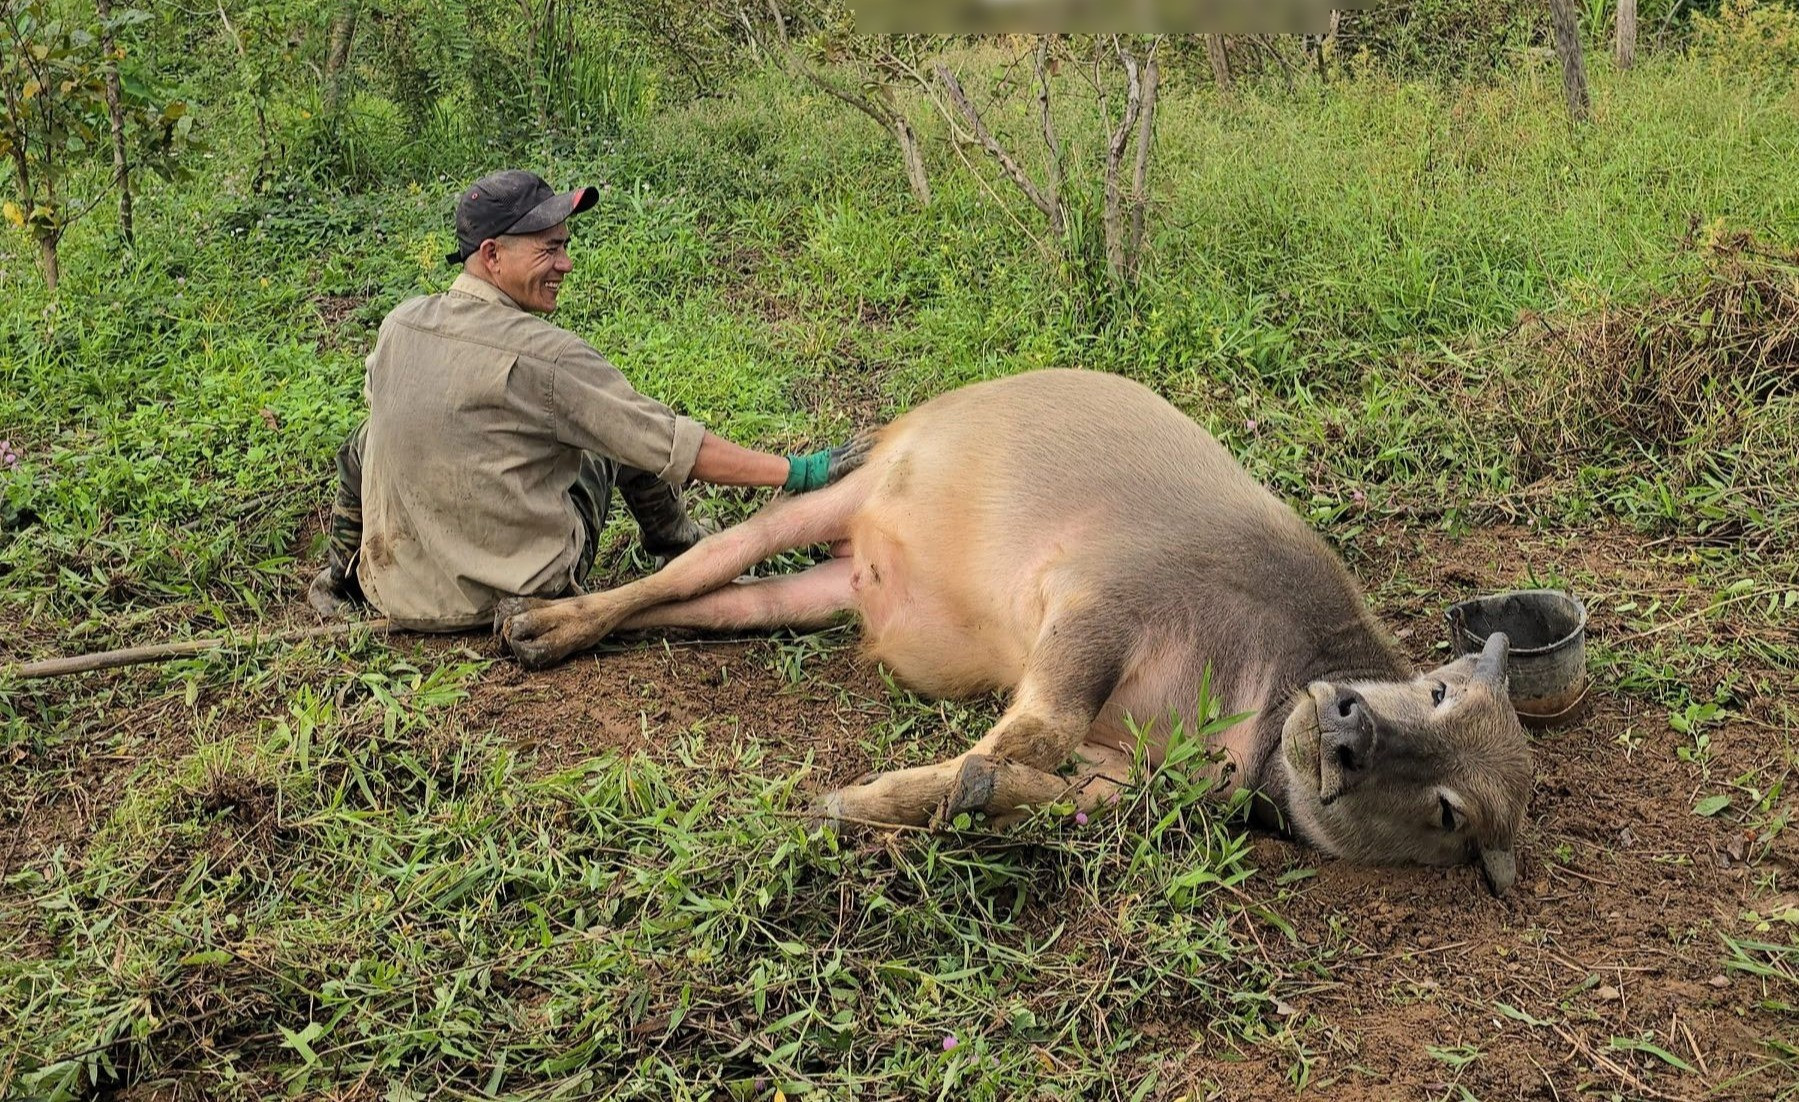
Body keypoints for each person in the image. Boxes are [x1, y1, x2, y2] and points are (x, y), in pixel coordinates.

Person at [308, 169, 868, 631]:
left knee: (363, 439)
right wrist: (801, 471)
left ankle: (338, 580)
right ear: (491, 254)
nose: (566, 265)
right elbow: (674, 447)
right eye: (549, 250)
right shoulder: (547, 356)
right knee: (616, 435)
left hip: (400, 596)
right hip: (519, 599)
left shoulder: (400, 324)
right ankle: (679, 549)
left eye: (566, 247)